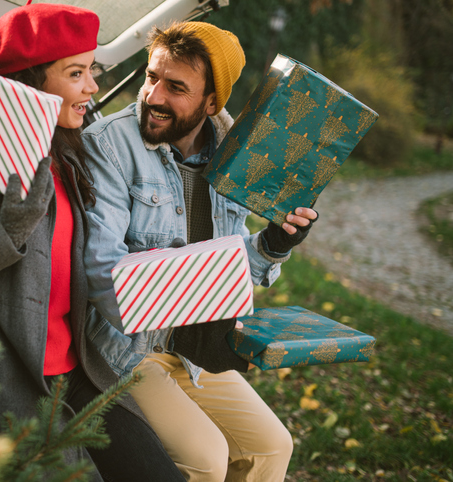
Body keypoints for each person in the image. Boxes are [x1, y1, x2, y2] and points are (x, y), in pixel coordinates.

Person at [0, 3, 186, 481]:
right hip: (5, 382)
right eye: (76, 73)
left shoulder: (68, 158)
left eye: (91, 70)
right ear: (30, 87)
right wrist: (7, 231)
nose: (93, 87)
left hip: (79, 372)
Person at [82, 22, 318, 481]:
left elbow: (232, 267)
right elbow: (101, 276)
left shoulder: (235, 160)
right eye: (151, 77)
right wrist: (203, 301)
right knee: (206, 457)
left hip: (192, 350)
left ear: (212, 103)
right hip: (126, 351)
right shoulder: (109, 145)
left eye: (176, 88)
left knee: (272, 447)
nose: (153, 96)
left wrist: (272, 245)